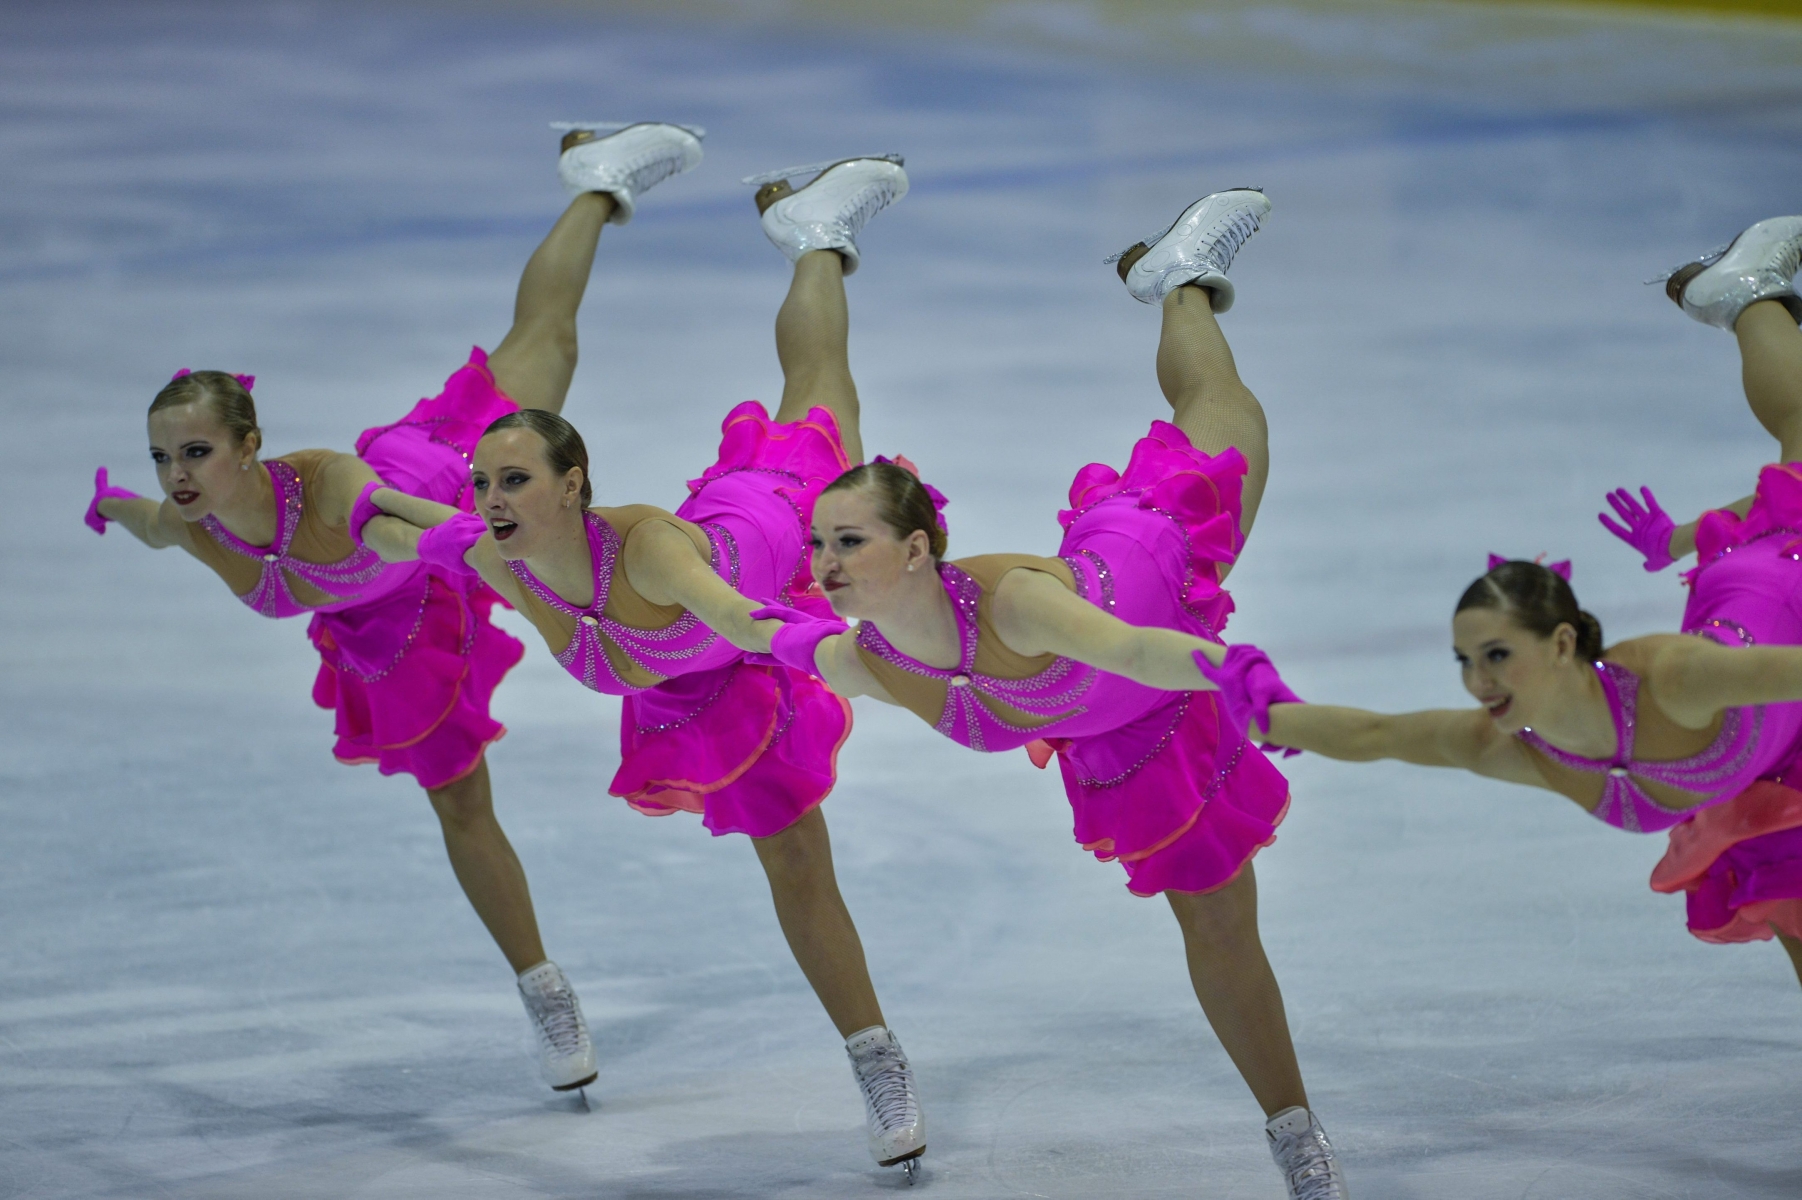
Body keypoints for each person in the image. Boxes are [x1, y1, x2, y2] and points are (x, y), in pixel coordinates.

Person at [80, 121, 713, 1095]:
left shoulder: (330, 492)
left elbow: (412, 523)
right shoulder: (196, 523)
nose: (179, 475)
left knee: (546, 343)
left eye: (196, 452)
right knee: (457, 794)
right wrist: (114, 506)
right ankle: (541, 982)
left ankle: (595, 182)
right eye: (165, 456)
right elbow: (156, 527)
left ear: (250, 444)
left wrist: (487, 538)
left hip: (450, 488)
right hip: (385, 621)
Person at [754, 188, 1349, 1200]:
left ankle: (1179, 285)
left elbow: (1138, 648)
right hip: (1107, 732)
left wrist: (1228, 672)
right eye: (817, 544)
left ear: (916, 549)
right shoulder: (869, 660)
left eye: (846, 542)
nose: (822, 562)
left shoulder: (1018, 604)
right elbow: (761, 636)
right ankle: (1169, 282)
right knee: (1207, 919)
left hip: (1149, 573)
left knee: (1223, 417)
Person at [361, 154, 928, 1179]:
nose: (491, 496)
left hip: (764, 533)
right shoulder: (503, 556)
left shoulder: (651, 550)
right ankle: (811, 240)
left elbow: (738, 618)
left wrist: (825, 647)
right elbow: (407, 531)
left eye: (517, 479)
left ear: (574, 484)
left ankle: (816, 241)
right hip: (678, 675)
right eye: (484, 480)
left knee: (818, 399)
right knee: (787, 852)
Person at [1204, 215, 1802, 985]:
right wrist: (1266, 714)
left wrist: (1688, 539)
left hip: (1779, 589)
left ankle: (1747, 293)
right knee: (1785, 889)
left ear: (1559, 643)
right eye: (1466, 661)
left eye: (1495, 655)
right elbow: (1383, 733)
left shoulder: (1678, 678)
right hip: (1773, 755)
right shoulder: (1519, 747)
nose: (1478, 682)